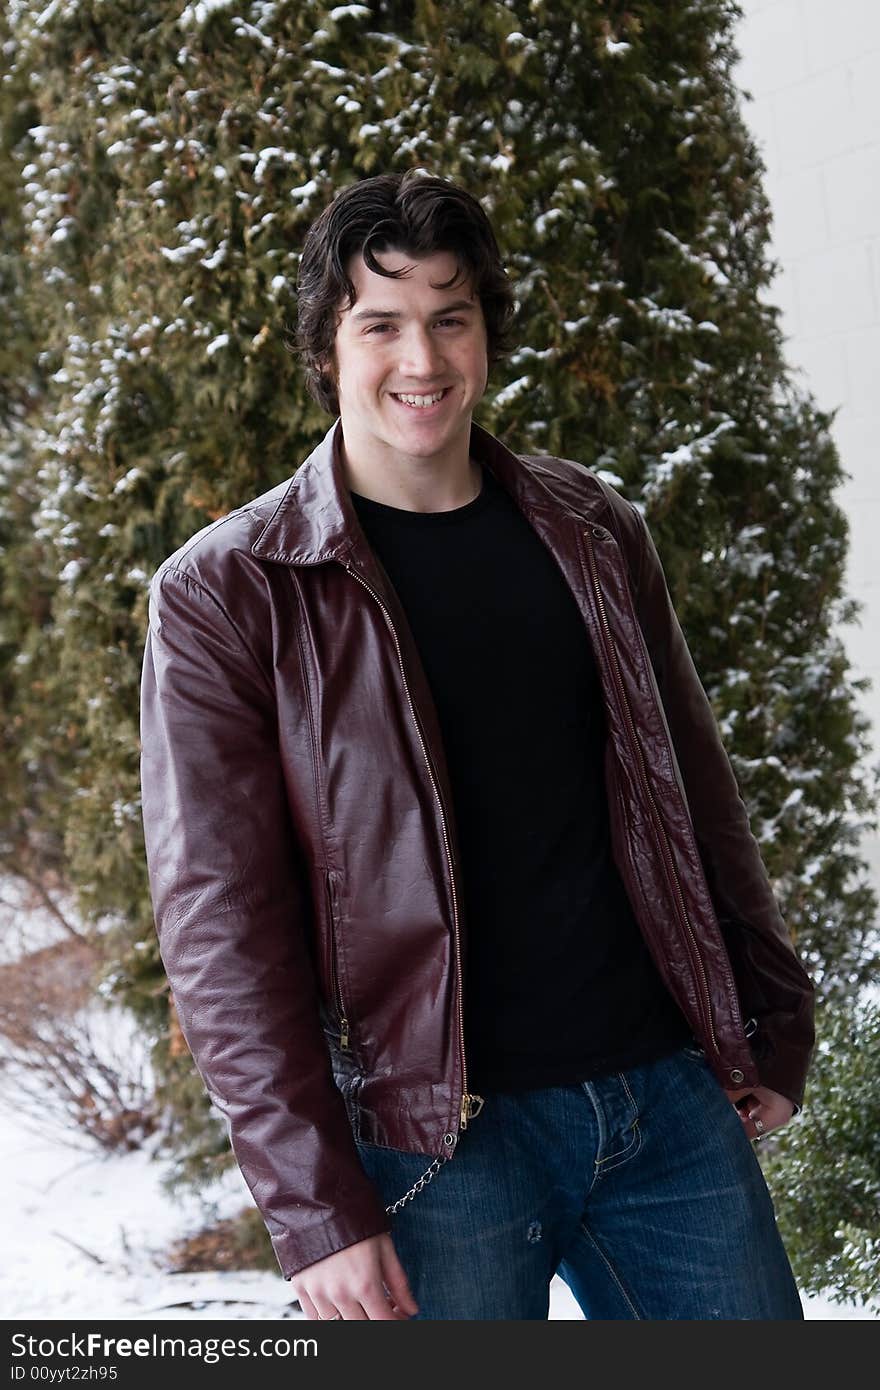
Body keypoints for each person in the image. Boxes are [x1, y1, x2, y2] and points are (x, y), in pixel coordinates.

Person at [139, 170, 816, 1320]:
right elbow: (221, 924)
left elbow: (690, 789)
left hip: (660, 1099)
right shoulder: (230, 590)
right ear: (326, 344)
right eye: (382, 324)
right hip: (431, 1149)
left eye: (451, 318)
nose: (423, 359)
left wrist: (769, 1021)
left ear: (486, 333)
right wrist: (315, 1211)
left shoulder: (592, 528)